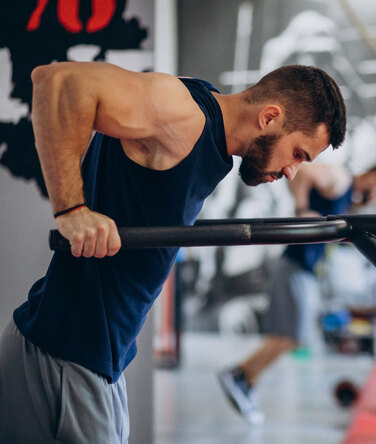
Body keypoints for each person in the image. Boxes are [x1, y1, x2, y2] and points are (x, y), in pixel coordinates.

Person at [0, 61, 346, 443]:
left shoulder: (206, 118)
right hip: (66, 353)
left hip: (94, 353)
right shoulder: (186, 115)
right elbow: (57, 81)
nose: (293, 172)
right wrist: (71, 210)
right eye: (298, 153)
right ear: (269, 117)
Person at [218, 162, 376, 423]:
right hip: (296, 266)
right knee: (294, 335)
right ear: (374, 178)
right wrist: (301, 208)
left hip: (302, 268)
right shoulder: (340, 178)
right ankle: (240, 375)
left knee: (289, 335)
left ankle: (246, 380)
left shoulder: (348, 194)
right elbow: (306, 172)